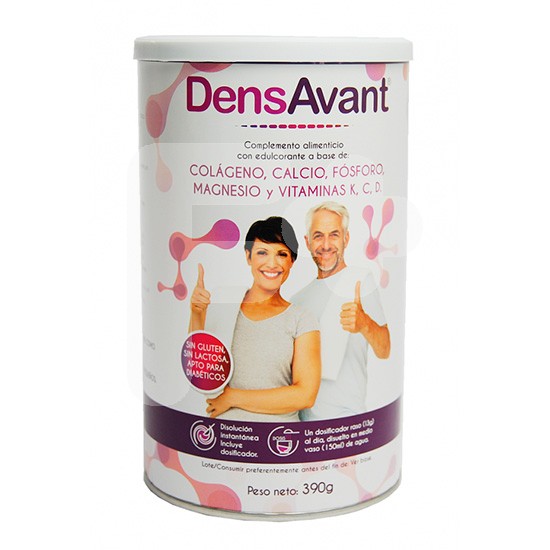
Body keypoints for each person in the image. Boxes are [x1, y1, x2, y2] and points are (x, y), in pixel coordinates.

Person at [189, 216, 321, 422]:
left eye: (282, 254)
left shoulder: (301, 319)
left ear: (292, 261)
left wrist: (233, 397)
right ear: (248, 256)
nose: (272, 263)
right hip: (223, 433)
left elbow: (305, 395)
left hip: (281, 435)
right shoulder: (223, 304)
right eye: (262, 252)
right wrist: (197, 313)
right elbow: (200, 373)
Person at [292, 201, 391, 420]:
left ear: (346, 239)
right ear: (308, 242)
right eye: (318, 236)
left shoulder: (360, 280)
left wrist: (364, 323)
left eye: (334, 235)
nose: (326, 245)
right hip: (302, 424)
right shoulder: (297, 301)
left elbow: (384, 349)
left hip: (347, 422)